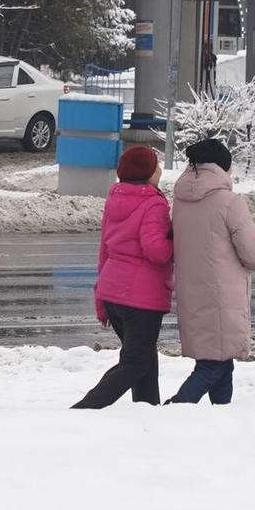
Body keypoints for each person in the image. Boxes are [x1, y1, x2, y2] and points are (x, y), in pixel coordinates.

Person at [72, 146, 172, 408]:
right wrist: (177, 241)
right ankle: (84, 409)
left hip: (113, 292)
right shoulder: (153, 203)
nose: (160, 169)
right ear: (147, 172)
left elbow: (104, 248)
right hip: (141, 297)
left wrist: (100, 299)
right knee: (136, 362)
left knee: (143, 358)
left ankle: (147, 409)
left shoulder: (115, 197)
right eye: (156, 165)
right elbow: (157, 251)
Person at [167, 139, 255, 405]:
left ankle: (223, 418)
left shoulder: (180, 200)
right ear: (222, 167)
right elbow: (254, 255)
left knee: (221, 363)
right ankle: (174, 410)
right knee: (213, 366)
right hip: (223, 296)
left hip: (193, 292)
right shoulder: (230, 202)